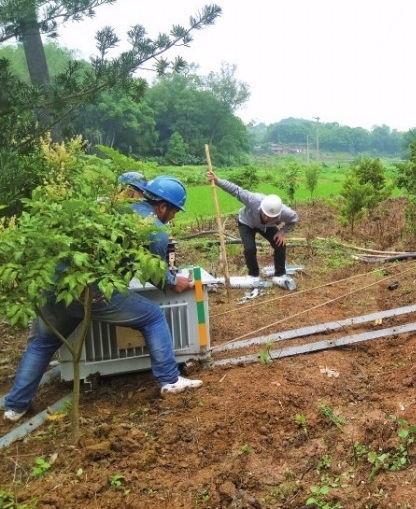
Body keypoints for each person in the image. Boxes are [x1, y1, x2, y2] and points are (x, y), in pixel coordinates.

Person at [2, 176, 203, 422]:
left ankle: (15, 407)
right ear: (163, 207)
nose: (172, 217)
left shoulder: (113, 210)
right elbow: (157, 274)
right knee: (152, 316)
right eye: (174, 212)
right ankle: (170, 380)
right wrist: (174, 281)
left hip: (55, 285)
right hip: (91, 291)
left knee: (43, 343)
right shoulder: (154, 228)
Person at [207, 171, 298, 289]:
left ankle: (279, 274)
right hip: (246, 222)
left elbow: (294, 219)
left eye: (272, 217)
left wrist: (282, 232)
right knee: (250, 248)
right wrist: (217, 180)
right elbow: (235, 190)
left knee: (280, 244)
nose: (267, 218)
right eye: (265, 215)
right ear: (262, 208)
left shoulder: (285, 213)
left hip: (265, 227)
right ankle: (253, 275)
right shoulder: (253, 200)